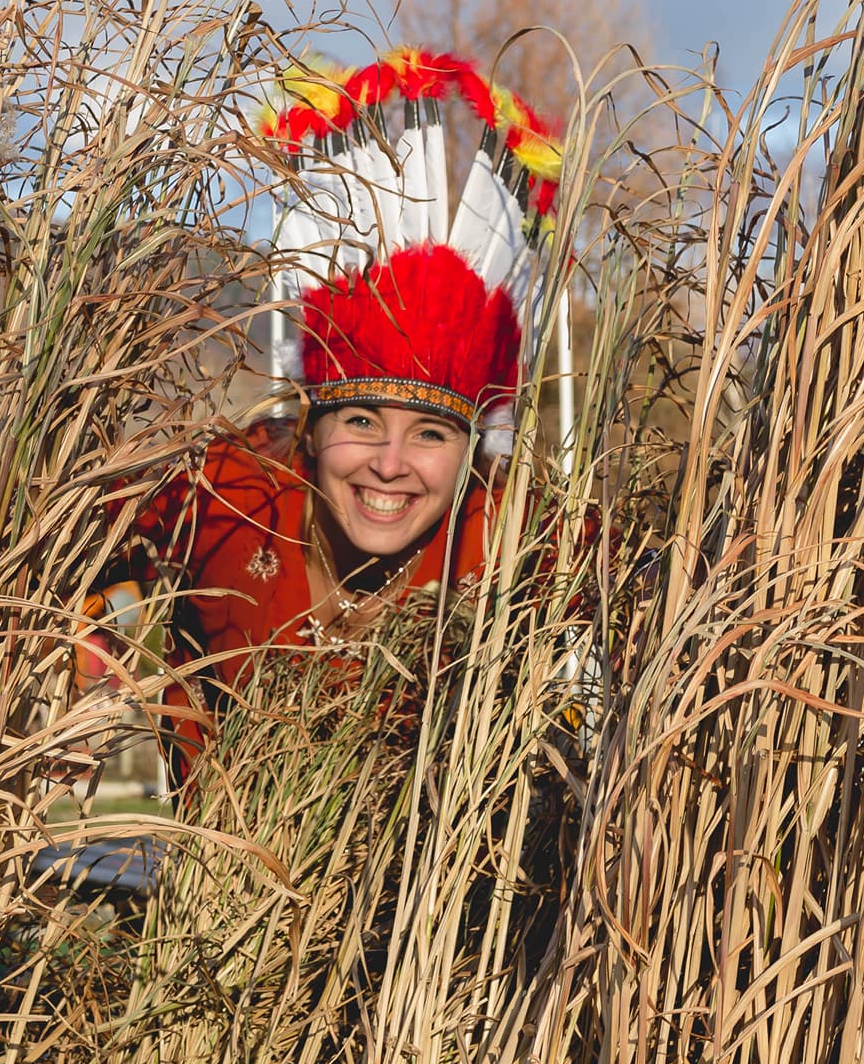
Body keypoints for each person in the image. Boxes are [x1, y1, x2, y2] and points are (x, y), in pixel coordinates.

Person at [49, 49, 564, 885]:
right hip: (203, 933)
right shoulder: (230, 493)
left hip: (416, 954)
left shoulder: (509, 540)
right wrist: (95, 669)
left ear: (471, 450)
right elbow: (61, 543)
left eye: (431, 434)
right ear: (311, 427)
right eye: (361, 420)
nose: (391, 466)